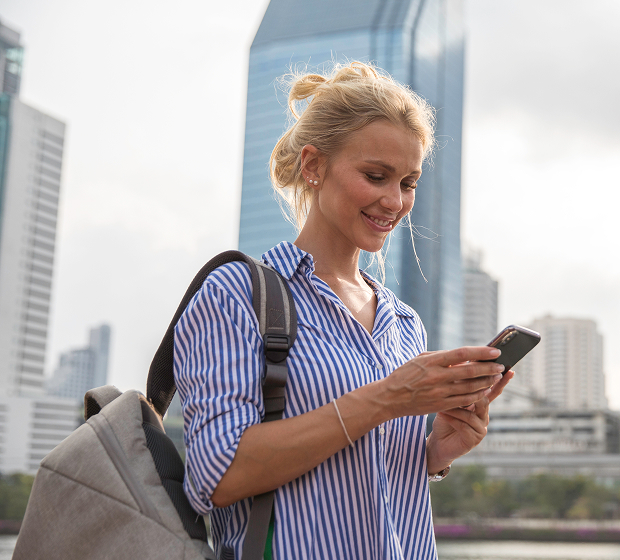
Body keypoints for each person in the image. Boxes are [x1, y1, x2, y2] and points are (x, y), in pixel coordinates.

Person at [174, 61, 512, 559]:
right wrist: (390, 397)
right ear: (313, 166)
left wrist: (436, 452)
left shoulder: (404, 324)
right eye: (376, 176)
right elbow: (215, 475)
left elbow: (369, 471)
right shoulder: (237, 294)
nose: (394, 201)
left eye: (409, 182)